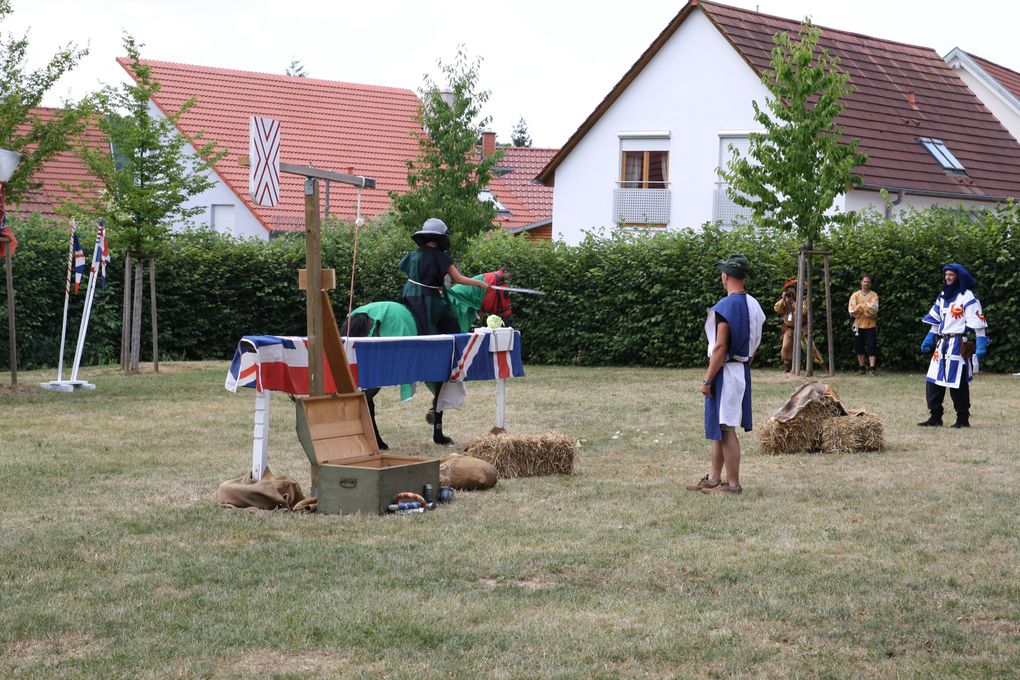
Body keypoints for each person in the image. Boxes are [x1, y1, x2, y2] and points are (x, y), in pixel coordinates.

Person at [398, 218, 488, 444]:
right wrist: (480, 284)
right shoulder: (442, 257)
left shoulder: (413, 255)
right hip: (429, 299)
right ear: (440, 239)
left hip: (408, 295)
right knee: (455, 329)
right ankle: (451, 362)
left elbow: (407, 272)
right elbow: (457, 279)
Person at [687, 254, 766, 495]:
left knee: (727, 429)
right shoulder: (754, 305)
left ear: (726, 276)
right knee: (719, 427)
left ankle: (732, 484)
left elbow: (720, 347)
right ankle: (713, 478)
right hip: (741, 369)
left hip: (726, 371)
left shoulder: (726, 306)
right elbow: (754, 345)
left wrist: (707, 379)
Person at [917, 263, 988, 428]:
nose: (947, 277)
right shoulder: (942, 295)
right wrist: (929, 338)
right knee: (933, 381)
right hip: (942, 344)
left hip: (957, 344)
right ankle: (935, 416)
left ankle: (962, 419)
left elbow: (977, 321)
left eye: (951, 275)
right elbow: (936, 320)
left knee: (958, 383)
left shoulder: (968, 296)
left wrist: (981, 342)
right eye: (946, 274)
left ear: (959, 277)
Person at [774, 280, 822, 373]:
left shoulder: (804, 300)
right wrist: (783, 299)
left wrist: (793, 303)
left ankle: (822, 365)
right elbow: (777, 309)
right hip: (789, 328)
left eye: (792, 291)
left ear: (797, 291)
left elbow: (803, 311)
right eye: (789, 291)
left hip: (802, 329)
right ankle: (787, 366)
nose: (790, 293)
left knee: (809, 348)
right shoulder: (785, 300)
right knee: (786, 347)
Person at [848, 274, 879, 375]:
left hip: (871, 324)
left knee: (871, 346)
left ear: (871, 283)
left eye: (868, 282)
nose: (866, 284)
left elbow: (874, 309)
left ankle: (872, 368)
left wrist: (861, 307)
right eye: (864, 281)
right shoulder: (855, 295)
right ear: (861, 282)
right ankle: (861, 367)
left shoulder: (874, 295)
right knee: (859, 346)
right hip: (858, 325)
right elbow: (852, 310)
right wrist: (864, 307)